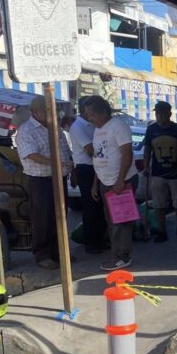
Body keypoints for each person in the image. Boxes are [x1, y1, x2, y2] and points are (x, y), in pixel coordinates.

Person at [15, 96, 73, 270]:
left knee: (60, 217)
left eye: (54, 111)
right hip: (41, 181)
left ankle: (59, 253)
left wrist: (70, 168)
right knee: (43, 219)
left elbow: (65, 150)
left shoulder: (55, 128)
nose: (52, 114)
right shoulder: (26, 131)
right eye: (48, 111)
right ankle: (43, 255)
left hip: (60, 178)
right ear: (35, 112)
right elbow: (31, 154)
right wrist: (56, 163)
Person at [83, 95, 137, 271]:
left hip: (121, 181)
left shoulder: (118, 126)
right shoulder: (98, 130)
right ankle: (117, 254)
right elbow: (100, 157)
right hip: (105, 181)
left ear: (102, 112)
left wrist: (120, 180)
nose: (89, 119)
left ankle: (122, 257)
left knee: (121, 222)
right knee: (112, 221)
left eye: (91, 114)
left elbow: (127, 154)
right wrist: (94, 183)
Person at [143, 101, 177, 242]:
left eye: (162, 113)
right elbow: (147, 149)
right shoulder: (151, 130)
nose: (159, 116)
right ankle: (162, 230)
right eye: (157, 113)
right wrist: (146, 166)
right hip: (157, 173)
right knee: (158, 204)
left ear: (169, 114)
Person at [69, 97, 107, 254]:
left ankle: (100, 239)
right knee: (91, 206)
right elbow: (90, 149)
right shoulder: (78, 127)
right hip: (87, 168)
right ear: (85, 110)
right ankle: (91, 243)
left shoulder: (92, 124)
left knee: (98, 206)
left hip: (96, 167)